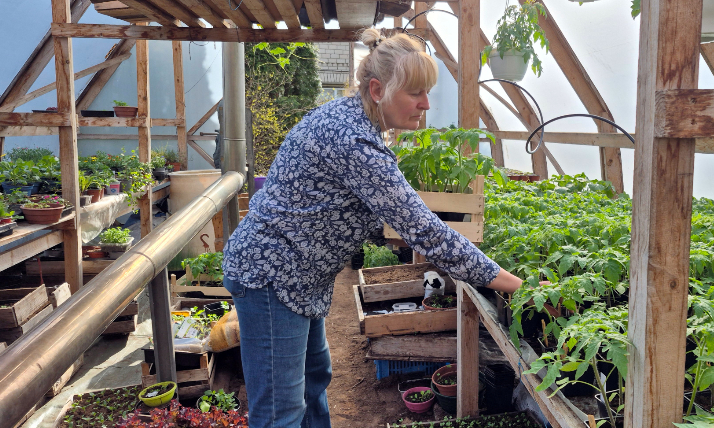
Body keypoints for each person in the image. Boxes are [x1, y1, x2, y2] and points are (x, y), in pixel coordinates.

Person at [221, 28, 525, 428]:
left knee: (314, 383)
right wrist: (512, 284)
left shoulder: (354, 120)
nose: (426, 104)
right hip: (274, 275)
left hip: (301, 276)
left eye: (427, 91)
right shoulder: (353, 141)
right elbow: (424, 231)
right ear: (378, 90)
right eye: (415, 93)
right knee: (280, 411)